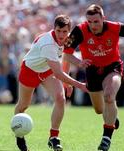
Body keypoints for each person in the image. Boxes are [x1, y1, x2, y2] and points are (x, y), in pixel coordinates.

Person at [62, 4, 124, 151]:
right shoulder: (80, 30)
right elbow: (66, 53)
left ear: (103, 19)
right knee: (99, 110)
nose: (93, 25)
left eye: (96, 21)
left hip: (113, 67)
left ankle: (106, 138)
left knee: (109, 96)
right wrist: (79, 62)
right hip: (92, 70)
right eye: (90, 22)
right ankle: (111, 118)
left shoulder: (116, 27)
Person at [14, 14, 88, 151]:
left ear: (69, 31)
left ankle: (54, 137)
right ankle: (19, 135)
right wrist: (80, 85)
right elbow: (59, 73)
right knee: (23, 106)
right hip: (30, 70)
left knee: (60, 99)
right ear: (54, 28)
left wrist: (68, 83)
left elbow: (65, 57)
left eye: (65, 31)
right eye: (58, 31)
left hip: (47, 70)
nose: (61, 34)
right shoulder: (48, 43)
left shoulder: (68, 39)